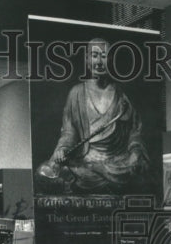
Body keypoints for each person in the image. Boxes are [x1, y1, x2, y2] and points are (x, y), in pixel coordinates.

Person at [35, 37, 150, 195]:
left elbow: (134, 131)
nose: (99, 61)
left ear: (110, 60)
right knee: (43, 172)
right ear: (87, 59)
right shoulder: (77, 93)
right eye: (95, 55)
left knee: (138, 171)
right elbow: (69, 132)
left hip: (116, 163)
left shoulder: (121, 96)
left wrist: (135, 152)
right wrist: (62, 149)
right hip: (85, 162)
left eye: (104, 56)